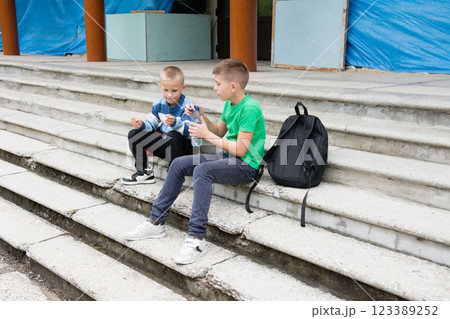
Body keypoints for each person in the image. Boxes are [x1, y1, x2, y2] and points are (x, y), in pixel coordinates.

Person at [123, 59, 266, 265]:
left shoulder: (250, 108)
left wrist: (205, 134)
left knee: (203, 171)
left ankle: (197, 238)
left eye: (217, 83)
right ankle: (156, 222)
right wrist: (202, 117)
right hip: (227, 158)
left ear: (233, 86)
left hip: (245, 165)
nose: (214, 87)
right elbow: (219, 131)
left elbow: (241, 149)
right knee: (179, 163)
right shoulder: (230, 103)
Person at [122, 66, 195, 185]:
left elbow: (190, 131)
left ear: (183, 88)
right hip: (166, 145)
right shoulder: (159, 104)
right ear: (160, 87)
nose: (169, 95)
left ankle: (175, 175)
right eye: (165, 90)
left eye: (174, 90)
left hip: (184, 149)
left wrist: (176, 123)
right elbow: (151, 123)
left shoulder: (188, 106)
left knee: (174, 134)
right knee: (134, 134)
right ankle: (144, 172)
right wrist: (142, 124)